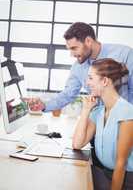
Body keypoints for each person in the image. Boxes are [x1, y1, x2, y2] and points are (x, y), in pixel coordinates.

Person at [27, 22, 133, 112]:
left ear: (88, 41)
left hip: (126, 122)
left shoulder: (124, 54)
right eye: (69, 49)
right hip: (97, 124)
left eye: (74, 48)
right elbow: (68, 94)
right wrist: (44, 105)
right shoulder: (78, 67)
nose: (71, 54)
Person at [72, 58, 133, 190]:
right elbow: (77, 144)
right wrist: (86, 110)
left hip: (126, 179)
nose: (87, 83)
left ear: (105, 81)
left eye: (90, 78)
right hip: (106, 173)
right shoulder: (99, 111)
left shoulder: (128, 113)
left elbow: (120, 163)